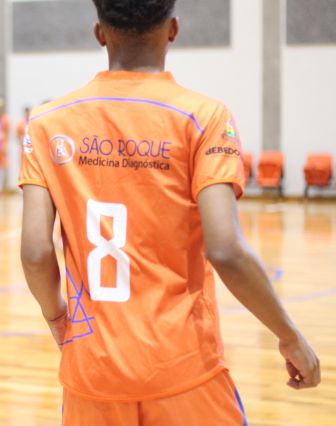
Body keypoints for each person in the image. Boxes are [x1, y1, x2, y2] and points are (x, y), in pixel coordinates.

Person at [18, 1, 320, 425]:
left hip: (91, 370)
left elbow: (35, 251)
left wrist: (56, 317)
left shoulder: (46, 122)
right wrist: (289, 336)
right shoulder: (203, 118)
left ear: (99, 33)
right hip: (183, 367)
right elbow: (226, 249)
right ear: (174, 29)